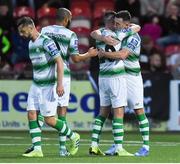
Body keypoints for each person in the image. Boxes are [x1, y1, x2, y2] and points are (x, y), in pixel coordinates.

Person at [26, 8, 98, 156]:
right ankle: (62, 149)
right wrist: (89, 54)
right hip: (62, 75)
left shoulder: (44, 30)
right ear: (67, 20)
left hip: (47, 74)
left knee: (39, 112)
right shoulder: (70, 34)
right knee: (61, 112)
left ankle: (36, 146)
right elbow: (76, 59)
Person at [17, 16, 80, 157]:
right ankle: (37, 150)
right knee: (31, 114)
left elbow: (59, 61)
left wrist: (59, 83)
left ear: (31, 27)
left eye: (22, 31)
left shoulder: (46, 42)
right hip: (36, 85)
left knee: (49, 120)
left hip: (48, 86)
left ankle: (74, 136)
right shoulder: (30, 44)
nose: (21, 34)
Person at [96, 10, 150, 157]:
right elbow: (95, 33)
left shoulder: (134, 38)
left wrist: (103, 54)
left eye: (119, 24)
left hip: (132, 77)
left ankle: (145, 146)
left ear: (127, 25)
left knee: (139, 110)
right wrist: (101, 37)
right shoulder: (118, 34)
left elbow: (122, 55)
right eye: (115, 23)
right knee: (117, 111)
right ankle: (117, 145)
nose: (116, 26)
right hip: (119, 76)